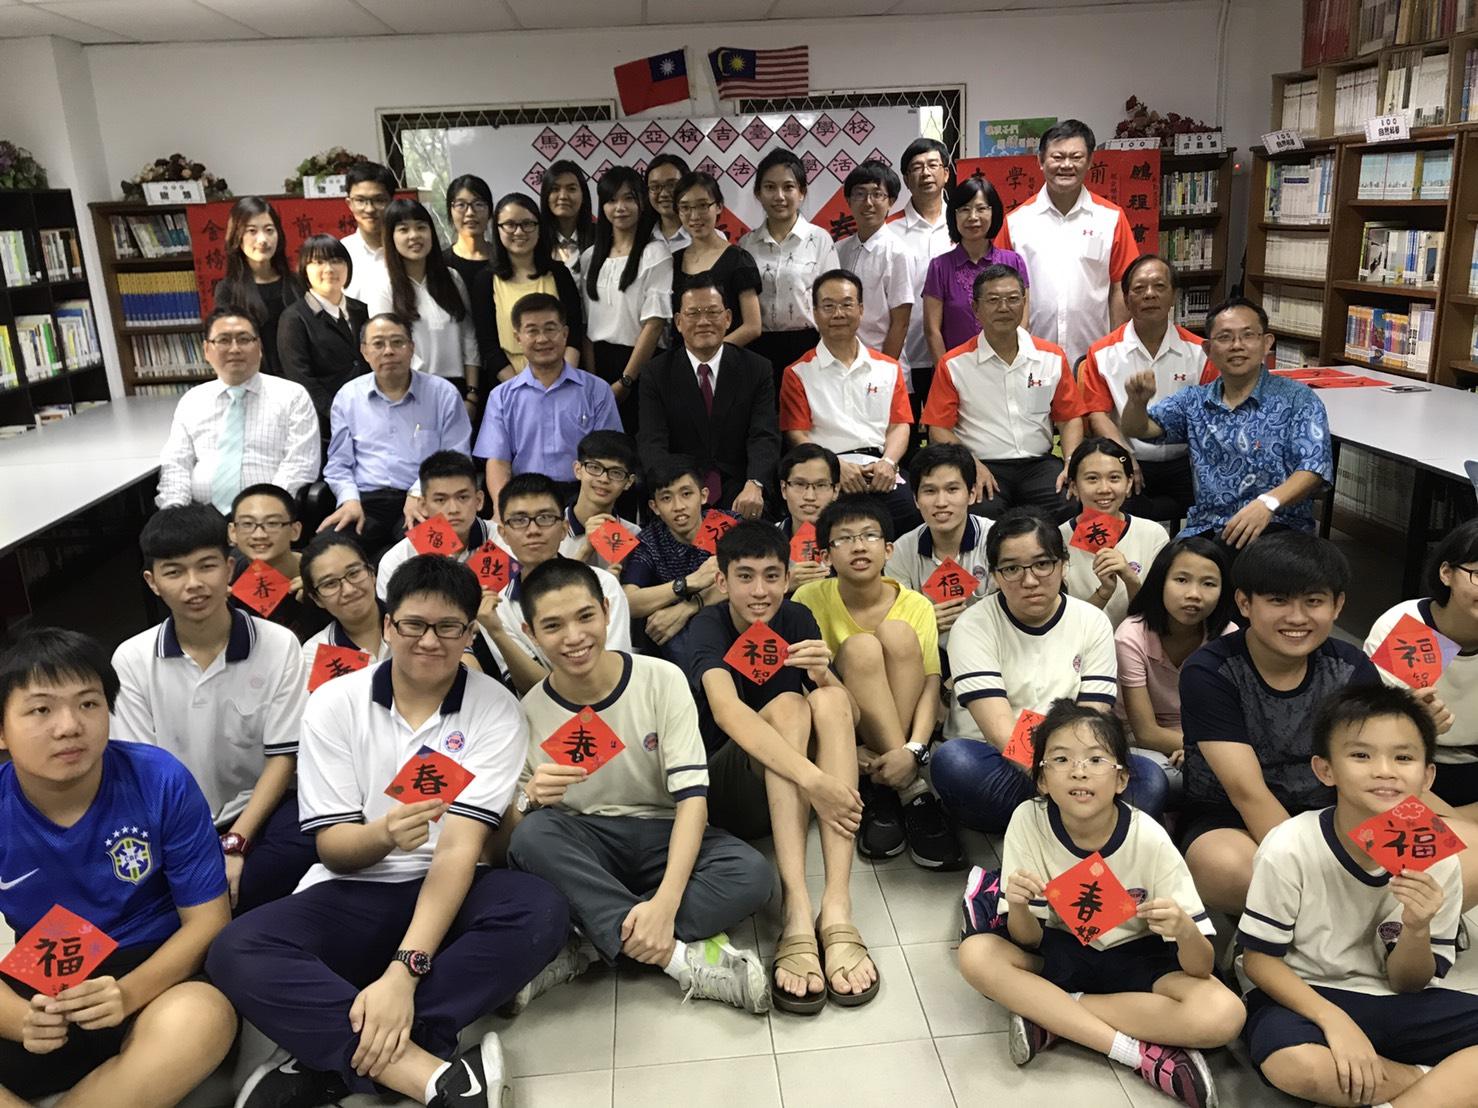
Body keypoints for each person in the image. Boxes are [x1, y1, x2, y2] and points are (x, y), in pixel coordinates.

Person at [206, 556, 569, 1108]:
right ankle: (430, 1076)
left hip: (455, 886)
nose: (430, 641)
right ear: (387, 627)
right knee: (235, 948)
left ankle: (338, 1060)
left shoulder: (494, 709)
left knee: (540, 909)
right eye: (413, 625)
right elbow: (334, 848)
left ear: (470, 631)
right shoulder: (334, 704)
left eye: (449, 627)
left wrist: (405, 971)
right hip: (353, 889)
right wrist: (382, 835)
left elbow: (458, 849)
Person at [506, 559, 773, 1013]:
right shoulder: (528, 711)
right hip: (587, 842)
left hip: (665, 833)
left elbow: (692, 800)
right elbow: (515, 830)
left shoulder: (659, 678)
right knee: (533, 836)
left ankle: (591, 942)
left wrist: (666, 903)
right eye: (553, 626)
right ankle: (678, 958)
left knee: (753, 875)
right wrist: (528, 800)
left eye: (585, 617)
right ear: (531, 634)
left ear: (608, 612)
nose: (573, 637)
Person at [959, 701, 1242, 1108]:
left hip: (1140, 961)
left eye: (1096, 759)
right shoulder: (1028, 820)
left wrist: (1183, 929)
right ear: (1041, 780)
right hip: (1061, 952)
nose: (1079, 770)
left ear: (1122, 778)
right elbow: (1028, 940)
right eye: (1060, 759)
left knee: (1224, 1015)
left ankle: (1054, 1016)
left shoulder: (1149, 837)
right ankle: (1136, 1053)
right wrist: (1019, 907)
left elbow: (1198, 966)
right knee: (976, 954)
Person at [0, 628, 237, 1106]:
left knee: (202, 1018)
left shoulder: (159, 779)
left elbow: (209, 919)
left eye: (88, 704)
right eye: (41, 709)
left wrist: (126, 995)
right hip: (46, 973)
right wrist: (21, 1019)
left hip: (153, 963)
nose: (69, 726)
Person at [1239, 684, 1478, 1107]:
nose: (1384, 771)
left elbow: (1409, 983)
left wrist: (1417, 928)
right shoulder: (1290, 845)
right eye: (1361, 755)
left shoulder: (1433, 855)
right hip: (1303, 993)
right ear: (1325, 769)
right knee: (1297, 1065)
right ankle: (1443, 1086)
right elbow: (1259, 961)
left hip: (1390, 999)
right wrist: (1335, 1020)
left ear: (1427, 775)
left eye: (1403, 757)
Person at [675, 522, 877, 1013]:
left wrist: (823, 673)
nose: (760, 590)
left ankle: (835, 906)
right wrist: (817, 781)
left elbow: (847, 718)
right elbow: (727, 711)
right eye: (745, 577)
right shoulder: (708, 626)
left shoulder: (798, 617)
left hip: (791, 790)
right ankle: (795, 909)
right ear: (722, 582)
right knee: (788, 705)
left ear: (788, 578)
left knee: (825, 701)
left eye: (771, 575)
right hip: (728, 785)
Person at [111, 505, 315, 914]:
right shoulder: (131, 659)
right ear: (152, 582)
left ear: (229, 567)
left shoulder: (278, 644)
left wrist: (236, 843)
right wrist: (196, 849)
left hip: (257, 812)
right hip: (174, 821)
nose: (194, 584)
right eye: (174, 572)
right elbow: (143, 771)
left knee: (308, 842)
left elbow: (282, 759)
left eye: (206, 566)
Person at [1178, 531, 1382, 914]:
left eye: (1314, 601)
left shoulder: (1351, 667)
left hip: (1336, 814)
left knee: (1460, 856)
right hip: (1233, 820)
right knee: (1224, 867)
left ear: (1337, 605)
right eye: (1278, 600)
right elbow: (1247, 792)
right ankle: (1297, 937)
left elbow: (1370, 768)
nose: (1297, 617)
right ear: (1244, 603)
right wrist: (1323, 876)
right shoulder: (1210, 671)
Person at [930, 508, 1167, 834]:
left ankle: (1044, 828)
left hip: (1074, 759)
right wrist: (1069, 790)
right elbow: (1000, 730)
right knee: (955, 762)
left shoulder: (1091, 620)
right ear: (996, 576)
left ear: (1063, 564)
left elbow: (1090, 722)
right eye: (1012, 569)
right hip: (999, 759)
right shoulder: (974, 625)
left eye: (1042, 564)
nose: (1029, 580)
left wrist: (1072, 777)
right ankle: (1081, 828)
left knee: (1150, 778)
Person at [793, 496, 961, 869]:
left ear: (888, 550)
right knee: (861, 648)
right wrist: (846, 750)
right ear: (825, 556)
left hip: (902, 738)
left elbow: (932, 683)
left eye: (869, 536)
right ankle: (911, 790)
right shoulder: (806, 598)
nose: (858, 546)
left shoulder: (915, 603)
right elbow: (803, 683)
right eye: (844, 539)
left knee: (897, 635)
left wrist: (914, 750)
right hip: (845, 732)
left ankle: (885, 780)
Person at [1121, 298, 1333, 549]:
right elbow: (1139, 429)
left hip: (1279, 527)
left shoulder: (1298, 399)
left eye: (1248, 336)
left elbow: (1314, 469)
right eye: (1225, 337)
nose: (1237, 346)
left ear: (1267, 343)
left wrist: (1268, 503)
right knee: (1166, 576)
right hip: (1208, 527)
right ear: (1208, 350)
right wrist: (1137, 402)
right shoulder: (1194, 401)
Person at [921, 265, 1086, 523]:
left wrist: (1071, 463)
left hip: (1039, 464)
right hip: (983, 464)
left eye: (1012, 299)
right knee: (980, 512)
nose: (1004, 307)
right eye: (994, 300)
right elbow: (938, 429)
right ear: (976, 308)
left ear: (1023, 302)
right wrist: (970, 465)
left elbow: (1069, 418)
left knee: (1067, 500)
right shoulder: (954, 363)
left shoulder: (1050, 357)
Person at [780, 269, 922, 537]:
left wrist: (889, 463)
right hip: (827, 473)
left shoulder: (888, 368)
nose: (838, 314)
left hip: (879, 469)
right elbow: (796, 434)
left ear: (861, 309)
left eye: (846, 305)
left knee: (912, 510)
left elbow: (900, 425)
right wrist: (832, 467)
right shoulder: (798, 372)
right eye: (828, 306)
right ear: (815, 312)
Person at [320, 313, 472, 558]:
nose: (388, 351)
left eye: (397, 342)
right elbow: (338, 464)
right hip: (365, 502)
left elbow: (456, 458)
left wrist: (418, 493)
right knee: (326, 555)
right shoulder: (348, 397)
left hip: (426, 501)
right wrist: (349, 500)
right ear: (364, 351)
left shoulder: (443, 394)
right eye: (378, 344)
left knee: (437, 559)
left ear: (411, 348)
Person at [1077, 255, 1210, 523]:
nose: (1149, 294)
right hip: (1127, 458)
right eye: (1139, 289)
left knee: (1203, 520)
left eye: (1159, 286)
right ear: (1126, 300)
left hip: (1186, 459)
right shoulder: (1102, 352)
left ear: (1174, 296)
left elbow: (1210, 415)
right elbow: (1097, 414)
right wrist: (1123, 457)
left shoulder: (1201, 352)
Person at [996, 119, 1138, 367]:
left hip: (1094, 358)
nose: (1066, 165)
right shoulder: (1016, 222)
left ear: (1090, 161)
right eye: (1057, 157)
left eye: (1076, 157)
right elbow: (999, 289)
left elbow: (1121, 286)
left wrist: (1116, 348)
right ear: (1040, 161)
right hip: (1029, 358)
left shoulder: (1111, 218)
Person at [637, 277, 780, 520]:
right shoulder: (656, 373)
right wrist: (675, 494)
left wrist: (755, 483)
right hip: (680, 489)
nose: (703, 322)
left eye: (713, 312)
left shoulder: (757, 368)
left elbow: (764, 435)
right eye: (693, 314)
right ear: (679, 322)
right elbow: (653, 441)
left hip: (740, 488)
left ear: (728, 318)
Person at [478, 473, 632, 695]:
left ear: (563, 529)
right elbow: (530, 688)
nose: (533, 530)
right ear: (504, 534)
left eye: (545, 518)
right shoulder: (495, 603)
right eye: (519, 520)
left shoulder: (602, 584)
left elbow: (611, 675)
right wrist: (497, 632)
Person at [156, 308, 319, 513]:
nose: (234, 349)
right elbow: (176, 463)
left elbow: (300, 465)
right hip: (202, 515)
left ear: (259, 347)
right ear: (207, 350)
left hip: (267, 515)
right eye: (223, 340)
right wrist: (175, 511)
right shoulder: (192, 401)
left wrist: (264, 510)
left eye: (244, 339)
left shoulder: (292, 396)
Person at [1364, 518, 1478, 807]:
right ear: (1446, 573)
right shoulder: (1410, 629)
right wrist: (1417, 726)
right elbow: (1370, 734)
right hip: (1410, 766)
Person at [476, 292, 620, 513]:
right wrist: (503, 510)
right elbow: (498, 462)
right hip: (523, 498)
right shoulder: (501, 397)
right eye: (532, 331)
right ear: (518, 337)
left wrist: (592, 509)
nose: (542, 339)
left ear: (565, 334)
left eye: (550, 329)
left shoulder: (597, 391)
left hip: (582, 499)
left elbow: (608, 459)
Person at [1115, 537, 1236, 794]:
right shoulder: (1131, 637)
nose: (1194, 594)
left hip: (1200, 736)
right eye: (1181, 580)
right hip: (1139, 741)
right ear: (1160, 582)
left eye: (1209, 583)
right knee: (1166, 780)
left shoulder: (1228, 636)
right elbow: (1145, 731)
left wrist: (1198, 746)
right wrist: (1201, 747)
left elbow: (1232, 714)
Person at [360, 199, 480, 411]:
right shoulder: (383, 284)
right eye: (403, 229)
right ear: (391, 237)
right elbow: (387, 345)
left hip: (458, 392)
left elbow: (469, 338)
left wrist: (472, 394)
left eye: (421, 227)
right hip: (411, 391)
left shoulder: (452, 278)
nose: (414, 236)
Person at [579, 166, 673, 433]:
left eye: (629, 198)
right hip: (598, 363)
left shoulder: (656, 254)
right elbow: (586, 325)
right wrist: (593, 378)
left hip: (642, 365)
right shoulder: (589, 257)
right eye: (611, 200)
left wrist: (626, 381)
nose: (620, 207)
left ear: (642, 203)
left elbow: (654, 325)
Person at [740, 150, 841, 385]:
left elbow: (832, 299)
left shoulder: (820, 239)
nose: (779, 196)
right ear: (758, 193)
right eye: (769, 187)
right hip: (758, 347)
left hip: (809, 345)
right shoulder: (746, 244)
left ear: (802, 192)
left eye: (788, 187)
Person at [885, 444, 993, 648]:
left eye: (952, 489)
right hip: (930, 653)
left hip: (991, 647)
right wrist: (924, 622)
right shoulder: (900, 551)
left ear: (971, 494)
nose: (941, 502)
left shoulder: (996, 539)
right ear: (916, 500)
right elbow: (898, 624)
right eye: (930, 491)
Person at [469, 192, 585, 380]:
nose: (519, 232)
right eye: (510, 225)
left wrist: (562, 381)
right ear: (497, 229)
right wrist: (522, 388)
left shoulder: (559, 273)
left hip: (562, 379)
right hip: (509, 384)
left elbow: (574, 334)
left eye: (527, 224)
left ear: (539, 227)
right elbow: (488, 346)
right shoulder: (485, 280)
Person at [621, 458, 731, 651]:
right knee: (674, 636)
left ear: (704, 495)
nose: (678, 506)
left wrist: (689, 606)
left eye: (686, 494)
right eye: (666, 498)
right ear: (654, 507)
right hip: (685, 635)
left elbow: (752, 578)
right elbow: (629, 601)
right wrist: (687, 583)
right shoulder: (649, 541)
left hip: (732, 617)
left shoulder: (727, 524)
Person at [1059, 438, 1170, 628]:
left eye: (1114, 478)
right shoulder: (1056, 539)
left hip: (1138, 646)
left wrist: (1130, 578)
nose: (1104, 489)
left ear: (1128, 484)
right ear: (1074, 487)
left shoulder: (1153, 535)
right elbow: (1064, 626)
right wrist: (1104, 592)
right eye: (1092, 478)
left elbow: (1158, 618)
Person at [922, 175, 1029, 366]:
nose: (973, 217)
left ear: (993, 212)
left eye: (981, 209)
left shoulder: (1013, 262)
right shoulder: (940, 267)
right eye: (964, 209)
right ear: (953, 215)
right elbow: (932, 330)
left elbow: (1022, 321)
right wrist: (945, 374)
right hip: (957, 371)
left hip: (1007, 366)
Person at [278, 234, 370, 441]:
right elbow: (301, 380)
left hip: (368, 418)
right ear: (304, 270)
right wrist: (336, 415)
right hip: (324, 428)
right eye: (318, 262)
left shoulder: (361, 310)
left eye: (336, 261)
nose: (329, 269)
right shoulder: (294, 318)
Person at [376, 450, 494, 600]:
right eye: (440, 500)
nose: (453, 509)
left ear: (479, 500)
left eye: (463, 497)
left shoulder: (503, 540)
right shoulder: (398, 559)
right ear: (423, 505)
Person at [894, 138, 954, 411]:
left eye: (933, 165)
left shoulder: (965, 225)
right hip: (905, 355)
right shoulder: (889, 231)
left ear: (946, 173)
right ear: (907, 179)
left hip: (955, 355)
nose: (926, 173)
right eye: (917, 168)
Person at [211, 196, 301, 377]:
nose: (263, 239)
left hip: (299, 385)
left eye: (269, 230)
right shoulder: (228, 290)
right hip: (252, 383)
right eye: (252, 231)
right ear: (237, 237)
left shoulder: (298, 283)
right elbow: (228, 346)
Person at [669, 172, 762, 347]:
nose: (695, 216)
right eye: (685, 207)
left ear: (718, 206)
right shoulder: (674, 261)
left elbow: (753, 326)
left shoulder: (739, 259)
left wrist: (708, 354)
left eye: (703, 205)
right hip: (682, 366)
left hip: (728, 362)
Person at [835, 160, 913, 361]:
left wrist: (884, 370)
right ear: (848, 200)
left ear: (891, 201)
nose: (868, 203)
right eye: (860, 194)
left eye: (877, 194)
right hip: (843, 364)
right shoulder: (837, 250)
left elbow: (901, 323)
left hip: (881, 364)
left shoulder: (898, 252)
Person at [227, 482, 324, 640]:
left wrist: (323, 597)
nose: (259, 535)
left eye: (272, 523)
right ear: (232, 532)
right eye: (247, 524)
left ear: (295, 530)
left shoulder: (324, 572)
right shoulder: (226, 574)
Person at [299, 531, 391, 671]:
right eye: (330, 583)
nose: (348, 590)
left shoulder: (413, 621)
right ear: (317, 599)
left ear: (372, 574)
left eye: (354, 573)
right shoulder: (315, 653)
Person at [559, 429, 640, 572]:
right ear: (578, 469)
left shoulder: (634, 534)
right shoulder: (551, 528)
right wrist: (585, 551)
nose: (603, 479)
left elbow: (633, 591)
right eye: (595, 468)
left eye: (616, 473)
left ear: (629, 482)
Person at [777, 443, 839, 591]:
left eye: (821, 485)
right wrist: (783, 585)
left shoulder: (851, 542)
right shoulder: (764, 541)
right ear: (784, 489)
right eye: (799, 484)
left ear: (836, 490)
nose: (810, 496)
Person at [341, 161, 396, 301]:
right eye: (360, 200)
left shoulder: (407, 248)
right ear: (349, 204)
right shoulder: (340, 253)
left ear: (391, 202)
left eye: (379, 200)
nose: (370, 209)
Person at [540, 160, 594, 273]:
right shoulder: (535, 240)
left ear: (583, 195)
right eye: (555, 189)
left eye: (571, 189)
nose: (563, 196)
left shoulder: (601, 238)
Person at [442, 173, 494, 289]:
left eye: (478, 204)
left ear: (490, 212)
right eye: (461, 205)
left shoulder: (503, 259)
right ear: (450, 211)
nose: (470, 212)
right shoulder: (440, 264)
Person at [645, 153, 692, 252]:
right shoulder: (641, 238)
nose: (664, 194)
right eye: (655, 187)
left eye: (672, 185)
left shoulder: (708, 236)